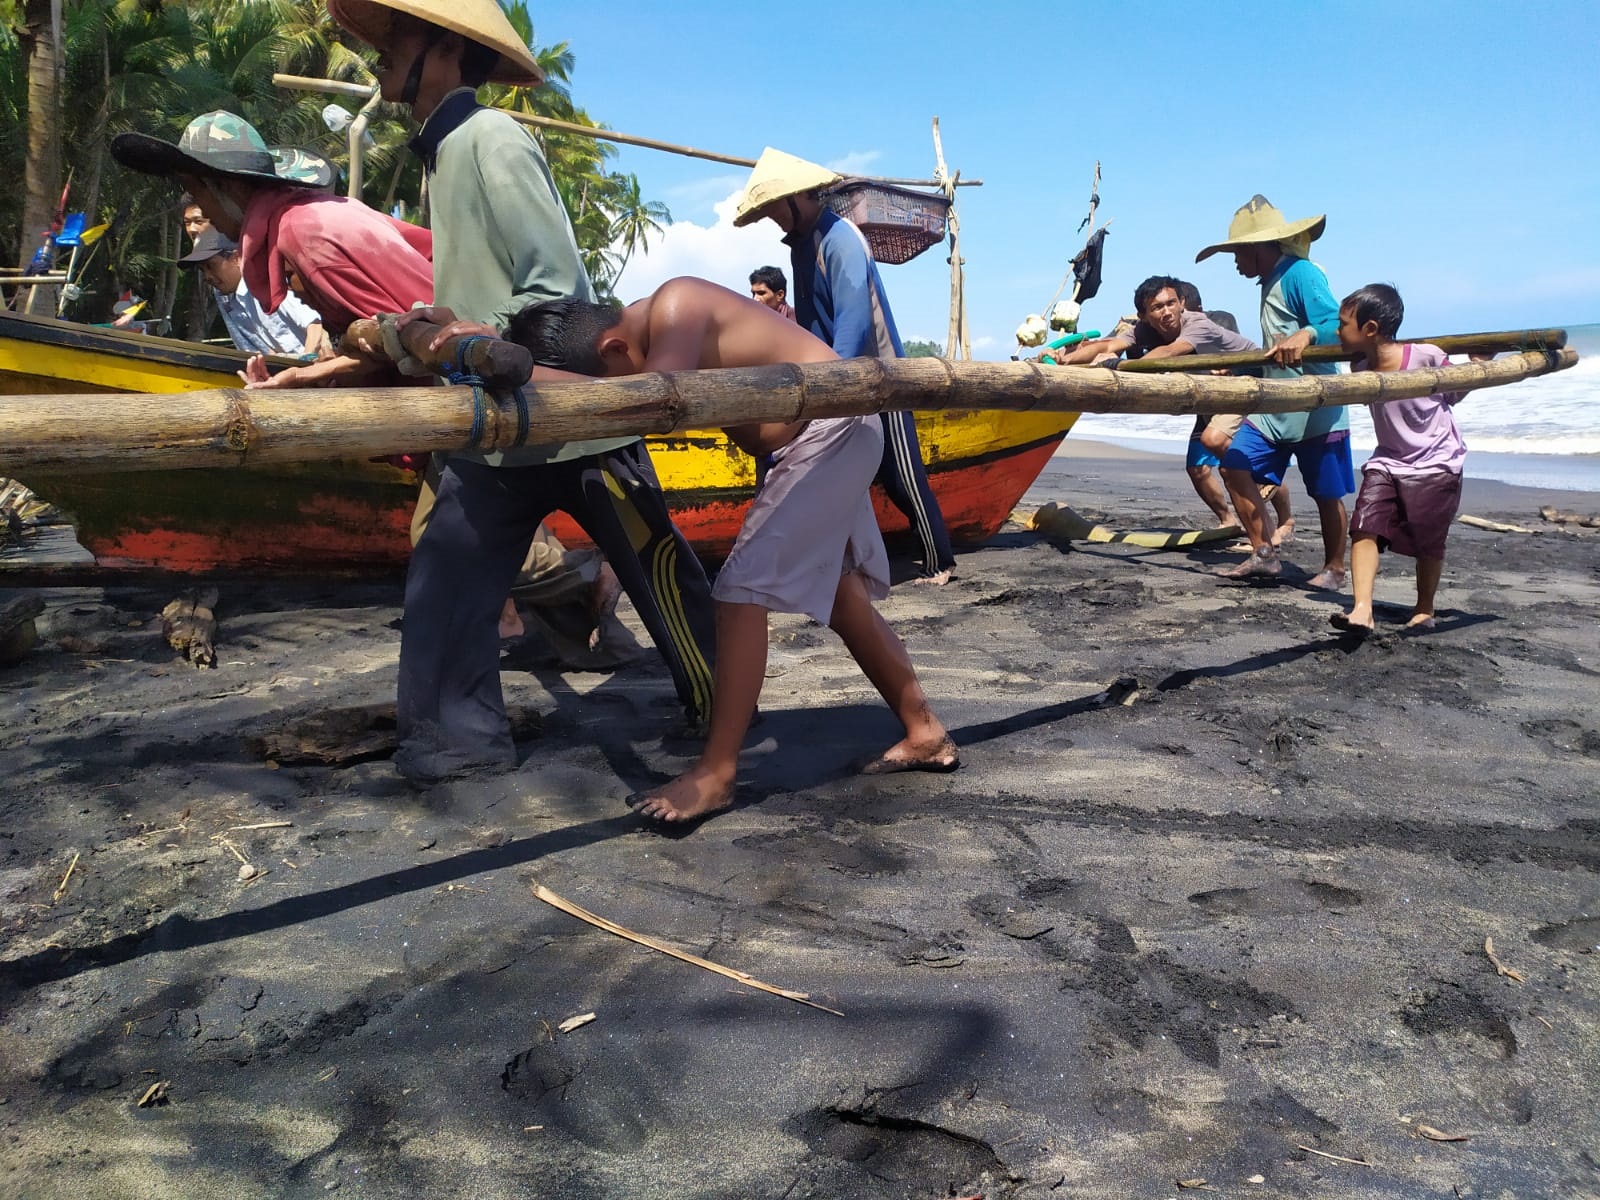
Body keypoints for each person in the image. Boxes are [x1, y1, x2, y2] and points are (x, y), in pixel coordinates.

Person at [328, 0, 716, 783]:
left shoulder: (492, 137)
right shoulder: (441, 154)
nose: (377, 57)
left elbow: (553, 289)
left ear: (441, 51)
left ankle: (722, 708)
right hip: (493, 423)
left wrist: (463, 331)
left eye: (395, 40)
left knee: (661, 580)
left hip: (570, 413)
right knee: (446, 579)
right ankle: (453, 746)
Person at [507, 278, 957, 824]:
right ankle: (925, 730)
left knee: (739, 595)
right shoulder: (660, 328)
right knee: (842, 598)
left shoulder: (678, 304)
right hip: (820, 438)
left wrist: (523, 370)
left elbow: (649, 399)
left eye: (606, 380)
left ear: (613, 349)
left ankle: (717, 773)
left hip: (830, 430)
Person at [734, 147, 957, 585]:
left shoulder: (841, 238)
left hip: (878, 373)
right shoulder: (801, 248)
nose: (771, 218)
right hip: (834, 374)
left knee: (902, 475)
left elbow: (853, 321)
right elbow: (812, 325)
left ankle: (940, 560)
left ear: (798, 198)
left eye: (773, 208)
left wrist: (832, 387)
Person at [1196, 195, 1352, 587]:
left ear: (1255, 248)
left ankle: (1334, 567)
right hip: (1277, 405)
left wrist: (1309, 333)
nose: (1233, 262)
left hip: (1317, 402)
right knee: (1234, 462)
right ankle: (1263, 551)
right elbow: (1274, 351)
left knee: (1325, 492)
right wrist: (1237, 368)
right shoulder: (1268, 283)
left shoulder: (1302, 273)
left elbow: (1337, 324)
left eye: (1236, 253)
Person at [1330, 284, 1469, 636]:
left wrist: (1479, 366)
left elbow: (1455, 391)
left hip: (1436, 460)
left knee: (1428, 540)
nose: (1337, 331)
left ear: (1370, 329)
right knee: (1365, 526)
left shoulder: (1426, 356)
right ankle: (1362, 609)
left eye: (1343, 324)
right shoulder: (1359, 365)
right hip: (1388, 460)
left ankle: (1424, 608)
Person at [175, 227, 327, 358]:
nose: (207, 276)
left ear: (236, 258)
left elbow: (316, 326)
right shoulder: (233, 301)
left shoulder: (269, 283)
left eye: (211, 266)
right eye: (202, 270)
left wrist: (306, 365)